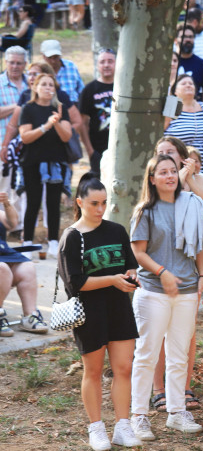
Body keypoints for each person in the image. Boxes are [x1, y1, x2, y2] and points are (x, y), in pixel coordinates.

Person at [58, 174, 142, 450]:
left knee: (124, 369)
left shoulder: (117, 230)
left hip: (119, 307)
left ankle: (122, 425)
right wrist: (112, 280)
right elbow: (75, 283)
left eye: (104, 202)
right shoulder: (71, 237)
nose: (100, 208)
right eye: (94, 203)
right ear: (80, 202)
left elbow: (129, 265)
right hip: (89, 312)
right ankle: (96, 428)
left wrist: (130, 277)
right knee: (92, 371)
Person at [129, 154, 203, 441]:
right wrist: (162, 272)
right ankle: (139, 416)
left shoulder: (190, 204)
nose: (170, 176)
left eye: (173, 171)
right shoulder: (145, 211)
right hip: (153, 292)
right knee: (146, 355)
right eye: (162, 172)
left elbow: (197, 243)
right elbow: (138, 253)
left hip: (187, 291)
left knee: (179, 355)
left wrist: (202, 277)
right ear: (152, 179)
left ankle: (176, 413)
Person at [149, 137, 203, 414]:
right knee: (157, 332)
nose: (166, 157)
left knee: (187, 333)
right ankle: (158, 390)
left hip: (188, 270)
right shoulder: (152, 186)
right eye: (161, 153)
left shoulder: (196, 181)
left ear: (182, 157)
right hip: (158, 270)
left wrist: (189, 178)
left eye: (171, 153)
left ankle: (184, 387)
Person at [18, 73, 72, 258]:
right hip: (32, 162)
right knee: (33, 202)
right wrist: (46, 126)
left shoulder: (59, 108)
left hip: (55, 162)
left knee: (53, 203)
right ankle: (27, 243)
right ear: (36, 87)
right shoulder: (28, 108)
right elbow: (25, 137)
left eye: (51, 85)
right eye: (44, 84)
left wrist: (56, 123)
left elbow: (67, 136)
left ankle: (53, 243)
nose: (48, 88)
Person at [0, 190, 48, 337]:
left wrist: (6, 204)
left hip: (3, 253)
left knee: (27, 268)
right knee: (2, 269)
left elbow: (12, 223)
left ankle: (30, 316)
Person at [79, 48, 116, 176]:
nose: (106, 65)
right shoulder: (89, 90)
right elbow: (82, 123)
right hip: (98, 150)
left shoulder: (125, 87)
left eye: (110, 61)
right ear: (97, 65)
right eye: (102, 62)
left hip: (122, 149)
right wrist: (90, 151)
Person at [176, 25, 203, 105]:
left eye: (191, 37)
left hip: (193, 109)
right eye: (184, 37)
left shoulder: (201, 63)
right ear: (176, 40)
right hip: (172, 106)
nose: (188, 39)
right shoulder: (171, 62)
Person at [40, 40, 85, 106]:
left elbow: (81, 90)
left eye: (56, 57)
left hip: (73, 105)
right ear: (43, 56)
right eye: (49, 58)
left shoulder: (71, 66)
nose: (53, 61)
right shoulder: (39, 70)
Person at [0, 46, 27, 146]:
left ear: (25, 64)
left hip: (29, 148)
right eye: (11, 62)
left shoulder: (32, 83)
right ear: (6, 62)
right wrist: (19, 106)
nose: (15, 66)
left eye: (19, 63)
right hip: (3, 144)